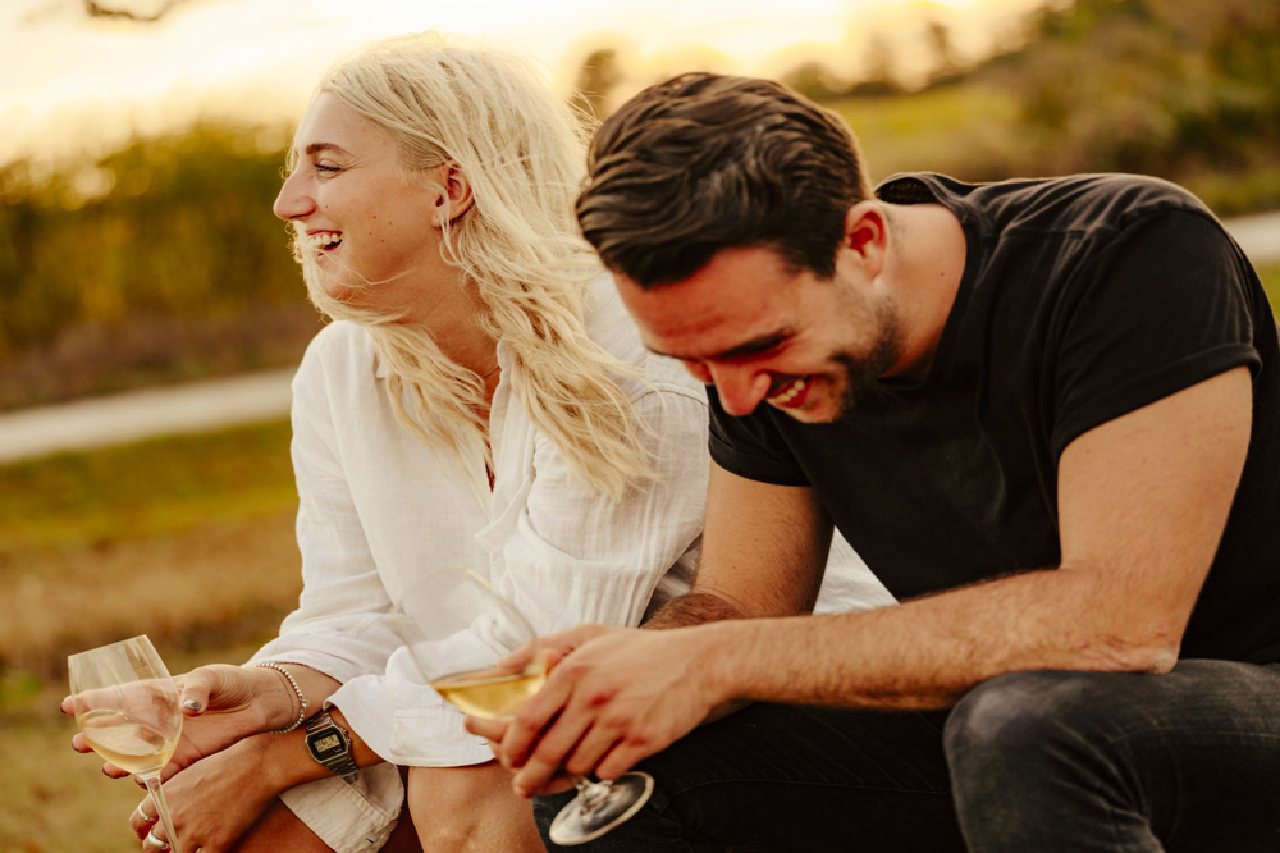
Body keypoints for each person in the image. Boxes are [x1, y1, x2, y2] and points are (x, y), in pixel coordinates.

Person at [63, 43, 889, 853]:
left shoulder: (619, 344)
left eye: (327, 165)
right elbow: (355, 613)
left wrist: (287, 751)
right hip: (516, 704)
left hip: (756, 709)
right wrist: (266, 693)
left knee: (471, 778)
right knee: (270, 823)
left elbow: (539, 641)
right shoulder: (340, 371)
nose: (288, 201)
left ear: (449, 188)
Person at [470, 72, 1280, 851]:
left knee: (1029, 724)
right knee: (631, 768)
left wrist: (709, 662)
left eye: (759, 346)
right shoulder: (754, 362)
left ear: (862, 240)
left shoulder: (1124, 251)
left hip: (1233, 703)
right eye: (693, 360)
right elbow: (741, 604)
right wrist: (633, 664)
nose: (736, 395)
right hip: (996, 726)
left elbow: (1118, 625)